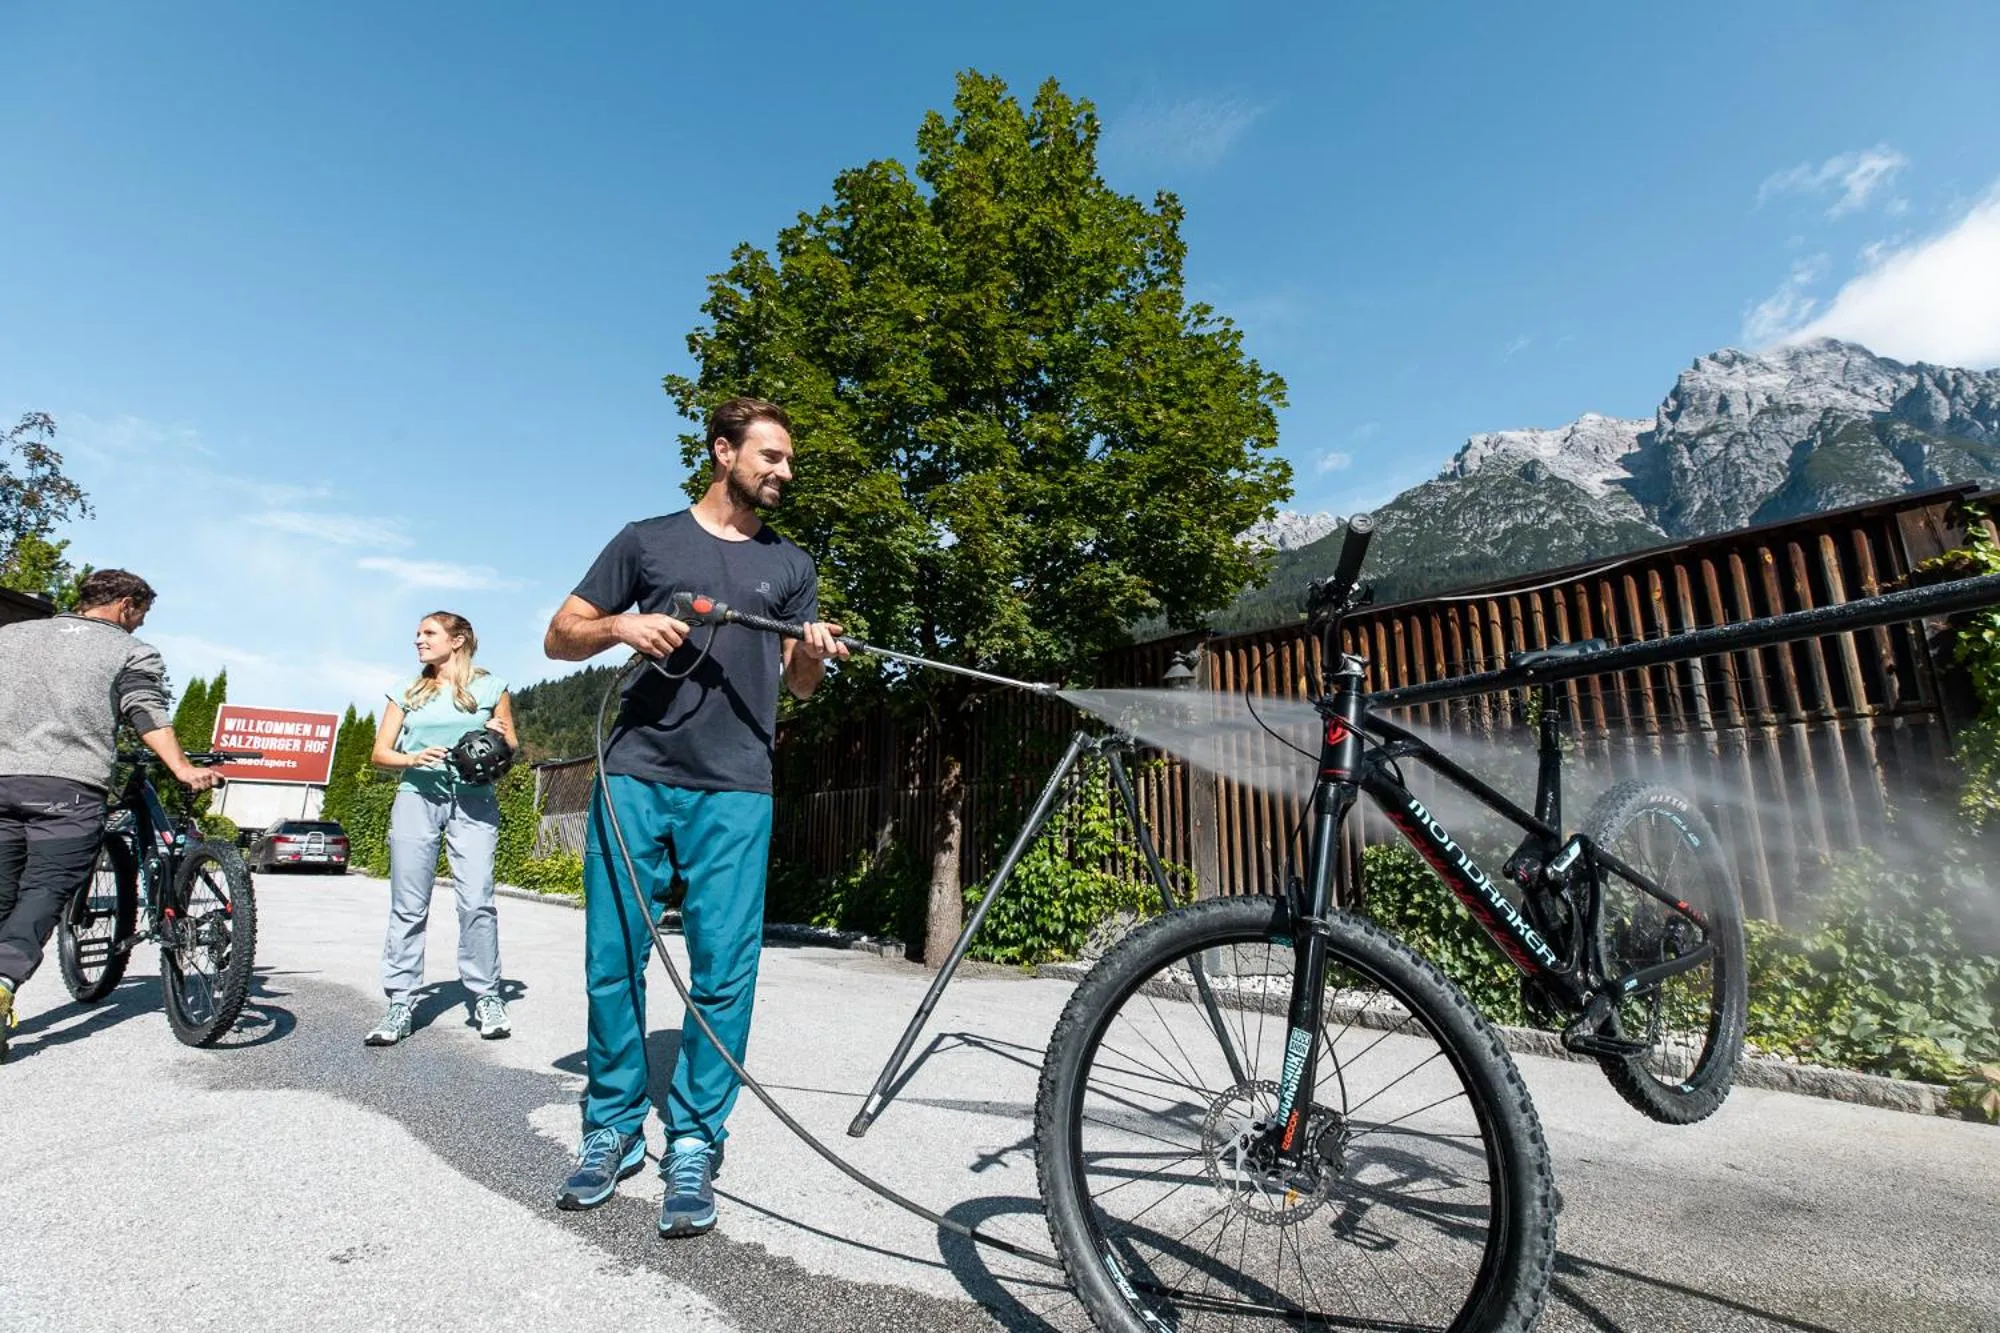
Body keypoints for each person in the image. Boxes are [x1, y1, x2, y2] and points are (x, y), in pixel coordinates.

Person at [543, 396, 846, 1237]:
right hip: (636, 774)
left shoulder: (791, 566)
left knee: (723, 973)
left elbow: (799, 685)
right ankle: (610, 1126)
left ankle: (694, 1139)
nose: (784, 471)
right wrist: (620, 624)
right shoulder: (646, 540)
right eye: (772, 457)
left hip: (739, 785)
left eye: (788, 460)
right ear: (724, 452)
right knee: (615, 958)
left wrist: (813, 652)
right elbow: (558, 636)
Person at [0, 570, 220, 1060]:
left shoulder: (10, 636)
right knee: (44, 891)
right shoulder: (128, 651)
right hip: (67, 789)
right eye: (140, 615)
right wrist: (182, 768)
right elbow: (143, 708)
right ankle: (3, 979)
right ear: (125, 605)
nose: (139, 625)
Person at [364, 611, 517, 1047]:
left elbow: (512, 744)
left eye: (428, 633)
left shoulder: (491, 687)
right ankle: (400, 1002)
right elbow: (379, 753)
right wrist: (411, 759)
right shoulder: (407, 690)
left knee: (477, 901)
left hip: (474, 801)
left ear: (458, 639)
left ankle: (487, 995)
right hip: (417, 799)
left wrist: (496, 736)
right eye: (417, 634)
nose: (418, 641)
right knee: (408, 906)